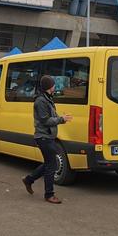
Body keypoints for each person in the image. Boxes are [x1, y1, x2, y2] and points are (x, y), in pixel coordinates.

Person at [22, 76, 72, 204]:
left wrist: (62, 118)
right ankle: (49, 194)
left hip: (48, 136)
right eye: (53, 84)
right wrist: (61, 119)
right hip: (43, 136)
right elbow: (45, 120)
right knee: (52, 164)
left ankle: (29, 180)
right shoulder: (41, 101)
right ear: (49, 86)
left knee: (49, 163)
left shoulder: (47, 98)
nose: (55, 86)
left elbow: (51, 116)